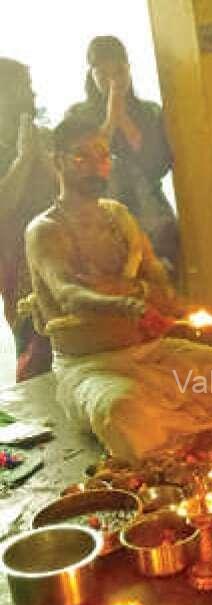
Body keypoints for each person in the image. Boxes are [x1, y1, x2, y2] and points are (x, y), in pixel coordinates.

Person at [23, 117, 212, 462]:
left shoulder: (119, 217)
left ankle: (178, 427)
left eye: (103, 155)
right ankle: (177, 431)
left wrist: (179, 307)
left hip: (155, 355)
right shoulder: (46, 230)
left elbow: (161, 285)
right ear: (58, 161)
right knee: (124, 413)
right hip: (92, 367)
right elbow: (67, 295)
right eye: (82, 157)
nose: (97, 165)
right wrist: (129, 305)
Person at [66, 36, 179, 276]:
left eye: (119, 71)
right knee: (117, 285)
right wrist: (111, 116)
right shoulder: (77, 116)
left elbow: (157, 165)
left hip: (153, 216)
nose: (112, 80)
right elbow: (83, 165)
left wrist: (124, 117)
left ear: (129, 69)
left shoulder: (150, 111)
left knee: (165, 281)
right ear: (91, 75)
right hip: (102, 219)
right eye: (103, 73)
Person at [0, 58, 55, 381]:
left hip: (61, 248)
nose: (31, 95)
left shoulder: (45, 135)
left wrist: (42, 155)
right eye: (22, 88)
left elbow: (69, 189)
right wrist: (23, 159)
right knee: (34, 340)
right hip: (16, 259)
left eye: (30, 88)